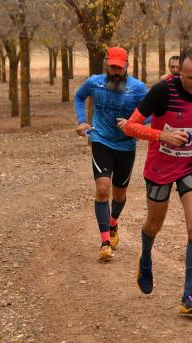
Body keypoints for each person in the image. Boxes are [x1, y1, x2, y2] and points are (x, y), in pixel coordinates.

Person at [117, 46, 192, 316]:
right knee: (154, 225)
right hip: (161, 166)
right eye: (189, 77)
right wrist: (162, 135)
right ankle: (146, 257)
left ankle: (188, 294)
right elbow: (130, 126)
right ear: (179, 73)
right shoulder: (163, 91)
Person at [74, 47, 149, 261]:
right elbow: (79, 96)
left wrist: (134, 124)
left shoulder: (138, 89)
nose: (115, 71)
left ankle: (114, 221)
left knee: (119, 194)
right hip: (101, 140)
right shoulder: (94, 82)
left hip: (126, 146)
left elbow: (153, 113)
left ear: (127, 65)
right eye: (112, 66)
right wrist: (81, 121)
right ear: (107, 64)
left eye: (119, 67)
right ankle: (105, 242)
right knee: (103, 188)